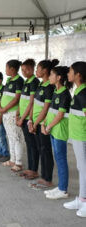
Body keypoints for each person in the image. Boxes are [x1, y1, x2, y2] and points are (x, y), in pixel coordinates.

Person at [41, 66, 72, 200]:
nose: (49, 77)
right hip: (53, 129)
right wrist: (44, 123)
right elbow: (51, 111)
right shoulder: (56, 91)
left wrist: (48, 127)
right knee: (58, 158)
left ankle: (63, 189)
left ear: (59, 77)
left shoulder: (65, 94)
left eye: (51, 75)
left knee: (61, 160)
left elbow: (60, 115)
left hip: (59, 130)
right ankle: (60, 187)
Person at [29, 59, 59, 190]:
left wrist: (36, 123)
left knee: (46, 151)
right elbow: (35, 104)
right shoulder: (41, 85)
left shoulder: (49, 87)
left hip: (42, 124)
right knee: (41, 149)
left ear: (45, 71)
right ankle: (43, 175)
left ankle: (48, 179)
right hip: (35, 123)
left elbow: (46, 109)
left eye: (38, 69)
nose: (36, 71)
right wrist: (31, 120)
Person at [65, 61, 86, 217]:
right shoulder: (78, 91)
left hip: (83, 136)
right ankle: (81, 198)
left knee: (84, 169)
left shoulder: (84, 93)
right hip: (78, 136)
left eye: (70, 71)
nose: (68, 74)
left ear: (78, 75)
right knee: (81, 167)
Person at [0, 60, 25, 172]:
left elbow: (17, 98)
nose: (5, 70)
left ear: (12, 69)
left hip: (13, 113)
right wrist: (1, 106)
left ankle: (18, 162)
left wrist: (5, 108)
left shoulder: (19, 81)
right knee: (10, 137)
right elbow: (5, 95)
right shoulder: (9, 80)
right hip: (5, 113)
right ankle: (12, 159)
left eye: (6, 68)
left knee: (17, 137)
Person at [17, 59, 40, 180]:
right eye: (22, 70)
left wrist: (24, 118)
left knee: (33, 145)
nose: (24, 72)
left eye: (27, 69)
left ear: (32, 69)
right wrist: (18, 114)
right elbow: (22, 99)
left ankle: (34, 170)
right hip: (23, 117)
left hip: (27, 118)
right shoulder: (27, 81)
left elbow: (31, 102)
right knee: (29, 144)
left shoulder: (34, 82)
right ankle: (30, 168)